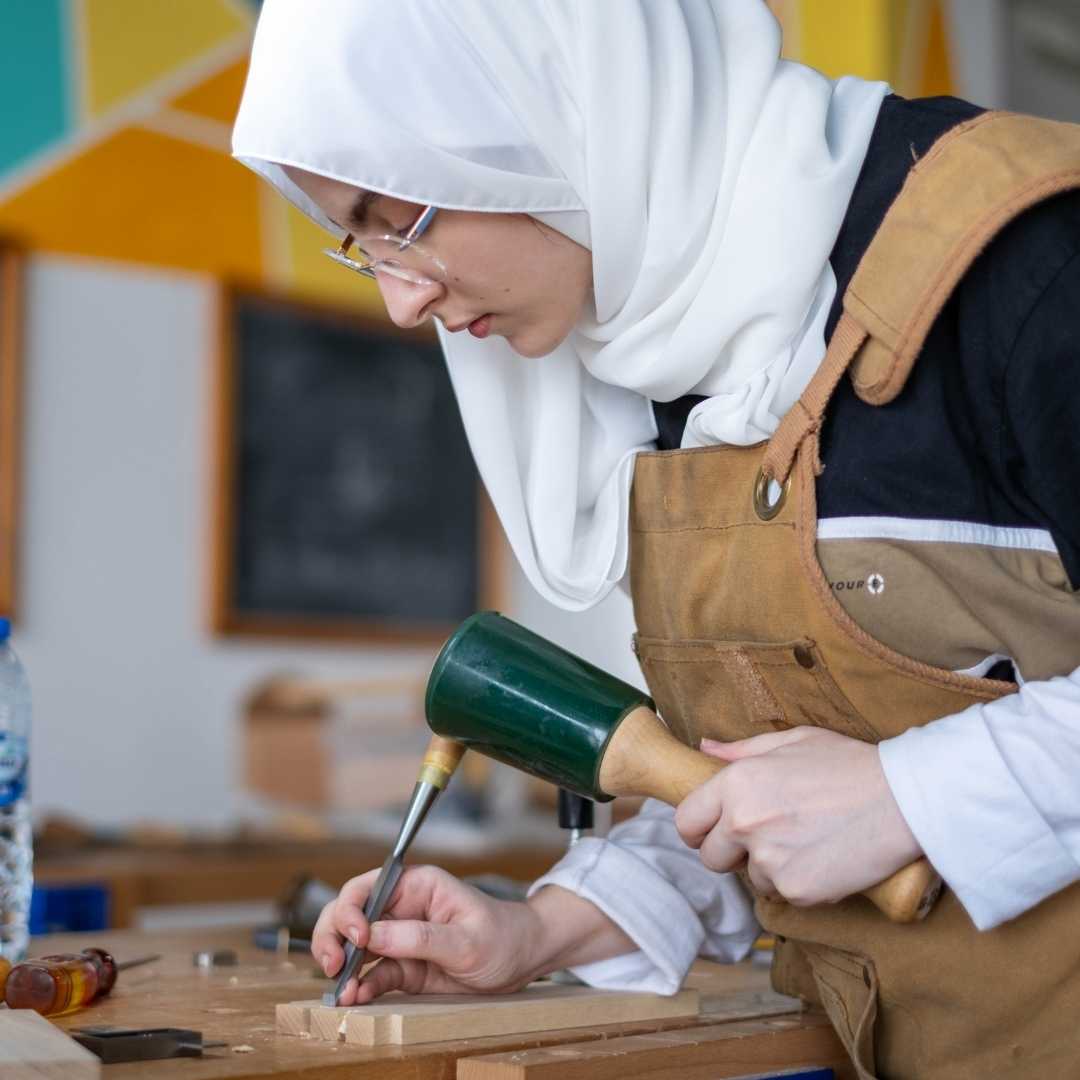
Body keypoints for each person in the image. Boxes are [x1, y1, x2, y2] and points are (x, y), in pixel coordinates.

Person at [232, 3, 1080, 1076]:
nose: (400, 302)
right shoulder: (658, 354)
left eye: (398, 216)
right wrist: (540, 930)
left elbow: (873, 793)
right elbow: (764, 789)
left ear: (544, 84)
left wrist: (912, 798)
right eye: (358, 247)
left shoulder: (1024, 260)